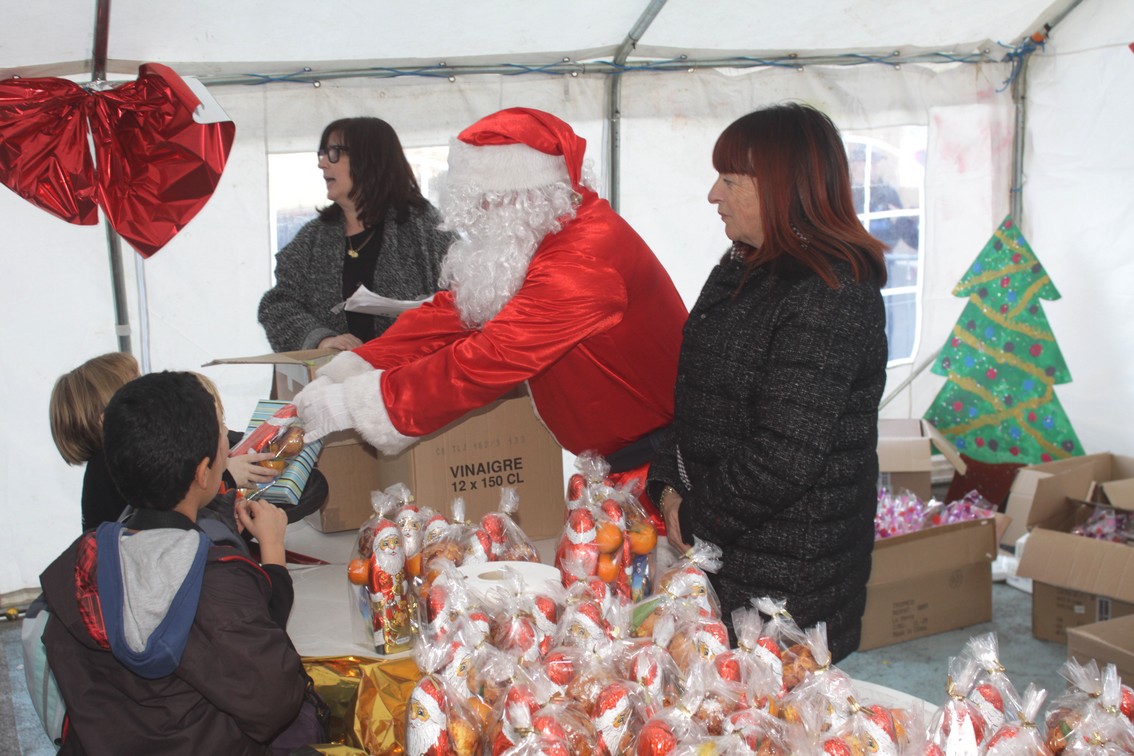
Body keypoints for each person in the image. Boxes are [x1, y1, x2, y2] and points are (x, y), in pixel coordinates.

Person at [293, 108, 687, 472]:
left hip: (658, 463)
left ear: (520, 196)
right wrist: (359, 365)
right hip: (617, 461)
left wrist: (358, 403)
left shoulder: (583, 260)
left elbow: (493, 356)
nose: (477, 218)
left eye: (483, 203)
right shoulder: (538, 234)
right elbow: (453, 311)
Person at [647, 103, 889, 663]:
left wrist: (697, 518)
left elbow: (784, 454)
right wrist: (666, 485)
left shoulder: (832, 293)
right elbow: (695, 398)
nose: (713, 194)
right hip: (724, 559)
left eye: (730, 180)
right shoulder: (741, 266)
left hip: (786, 589)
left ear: (782, 188)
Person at [39, 371, 309, 754]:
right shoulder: (211, 579)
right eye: (221, 434)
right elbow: (277, 699)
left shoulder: (75, 568)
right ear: (204, 473)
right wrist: (274, 553)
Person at [258, 116, 455, 352]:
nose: (322, 164)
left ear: (370, 159)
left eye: (334, 153)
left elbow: (465, 299)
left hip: (410, 380)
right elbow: (277, 305)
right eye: (321, 153)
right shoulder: (312, 239)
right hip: (333, 383)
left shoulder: (426, 228)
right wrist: (322, 339)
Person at [49, 353, 279, 531]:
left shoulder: (113, 459)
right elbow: (174, 508)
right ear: (109, 416)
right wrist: (225, 474)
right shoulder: (106, 467)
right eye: (137, 384)